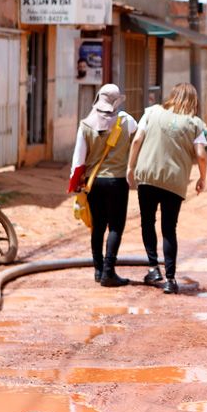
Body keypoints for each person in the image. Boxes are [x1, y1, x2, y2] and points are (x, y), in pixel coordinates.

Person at [127, 83, 207, 294]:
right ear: (194, 101)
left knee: (147, 221)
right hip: (175, 181)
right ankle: (170, 279)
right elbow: (200, 154)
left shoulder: (151, 112)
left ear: (172, 95)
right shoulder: (195, 123)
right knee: (169, 229)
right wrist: (202, 177)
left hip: (147, 176)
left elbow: (137, 140)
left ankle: (153, 268)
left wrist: (130, 167)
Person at [68, 85, 138, 287]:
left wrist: (75, 184)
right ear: (116, 102)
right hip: (117, 181)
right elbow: (139, 136)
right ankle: (109, 271)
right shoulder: (126, 121)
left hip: (94, 183)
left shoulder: (86, 124)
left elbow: (78, 160)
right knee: (116, 226)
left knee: (97, 226)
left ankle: (98, 270)